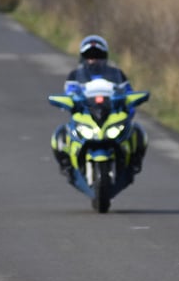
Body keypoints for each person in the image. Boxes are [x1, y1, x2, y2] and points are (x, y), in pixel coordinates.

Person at [51, 35, 148, 181]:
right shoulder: (75, 75)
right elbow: (69, 93)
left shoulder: (117, 74)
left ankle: (134, 163)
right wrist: (70, 101)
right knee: (60, 134)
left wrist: (129, 105)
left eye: (97, 56)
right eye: (89, 56)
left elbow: (128, 93)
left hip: (112, 114)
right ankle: (67, 166)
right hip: (86, 115)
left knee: (138, 132)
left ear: (105, 57)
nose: (93, 60)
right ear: (83, 58)